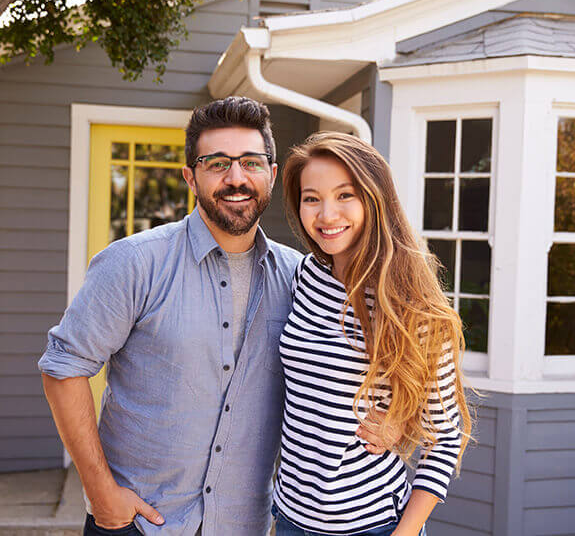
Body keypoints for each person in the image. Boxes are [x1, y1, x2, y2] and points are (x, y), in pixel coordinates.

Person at [38, 98, 391, 536]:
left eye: (250, 162)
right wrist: (99, 491)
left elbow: (365, 368)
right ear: (191, 176)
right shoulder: (133, 264)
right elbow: (63, 368)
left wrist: (397, 421)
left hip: (246, 525)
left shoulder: (302, 279)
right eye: (217, 163)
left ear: (273, 174)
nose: (236, 178)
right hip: (140, 524)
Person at [273, 132, 473, 536]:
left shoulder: (412, 304)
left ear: (374, 198)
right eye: (312, 198)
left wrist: (404, 533)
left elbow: (445, 436)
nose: (327, 215)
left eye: (344, 195)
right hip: (290, 518)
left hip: (372, 525)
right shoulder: (305, 276)